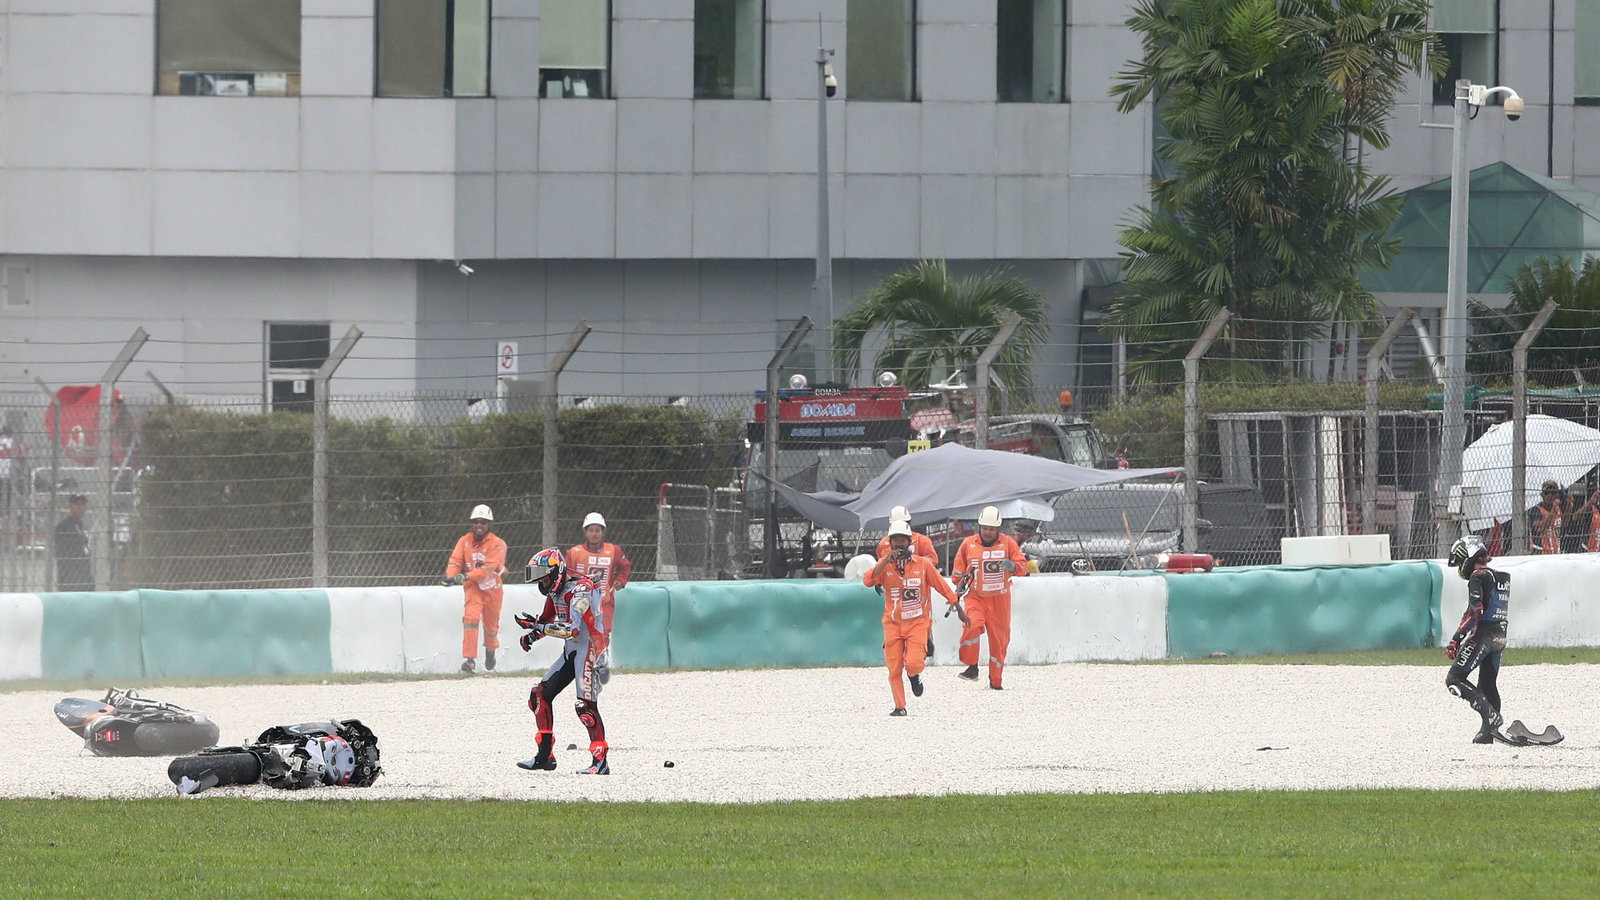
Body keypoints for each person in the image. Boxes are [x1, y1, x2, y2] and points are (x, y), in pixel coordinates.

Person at [515, 548, 610, 774]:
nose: (542, 582)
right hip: (572, 651)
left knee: (584, 706)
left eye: (545, 576)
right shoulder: (554, 591)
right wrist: (533, 635)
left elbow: (572, 630)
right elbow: (547, 620)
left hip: (590, 649)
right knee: (539, 695)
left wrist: (536, 628)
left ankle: (600, 761)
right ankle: (544, 756)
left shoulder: (581, 589)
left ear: (556, 571)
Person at [862, 522, 960, 716]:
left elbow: (941, 586)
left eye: (903, 540)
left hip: (917, 622)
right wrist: (884, 561)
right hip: (892, 624)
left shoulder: (923, 564)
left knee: (913, 663)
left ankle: (914, 675)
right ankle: (900, 707)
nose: (899, 544)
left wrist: (957, 606)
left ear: (909, 543)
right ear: (890, 543)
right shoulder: (885, 564)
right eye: (895, 540)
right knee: (894, 666)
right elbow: (867, 580)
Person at [952, 505, 1029, 690]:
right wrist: (961, 582)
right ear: (979, 527)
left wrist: (1013, 567)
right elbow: (957, 573)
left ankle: (996, 682)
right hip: (975, 597)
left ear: (999, 529)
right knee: (972, 626)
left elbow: (1023, 567)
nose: (988, 532)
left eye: (992, 529)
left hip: (1000, 600)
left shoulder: (1008, 543)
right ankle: (971, 667)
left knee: (1000, 641)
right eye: (985, 528)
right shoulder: (968, 544)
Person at [1445, 534, 1509, 744]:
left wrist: (1456, 639)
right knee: (1487, 682)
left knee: (1454, 679)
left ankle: (1491, 717)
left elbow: (1475, 612)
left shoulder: (1478, 576)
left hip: (1483, 635)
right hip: (1500, 636)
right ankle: (1487, 732)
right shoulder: (1500, 577)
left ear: (1468, 556)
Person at [441, 504, 507, 673]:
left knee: (491, 627)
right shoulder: (464, 541)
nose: (479, 525)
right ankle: (469, 660)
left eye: (483, 522)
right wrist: (450, 576)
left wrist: (466, 576)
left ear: (489, 524)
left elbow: (488, 568)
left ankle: (490, 650)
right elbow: (455, 561)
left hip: (492, 589)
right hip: (473, 588)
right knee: (470, 618)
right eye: (476, 522)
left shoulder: (497, 544)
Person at [566, 511, 631, 633]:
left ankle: (601, 652)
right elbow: (566, 575)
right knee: (578, 634)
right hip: (579, 603)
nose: (594, 534)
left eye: (597, 530)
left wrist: (620, 581)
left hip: (604, 601)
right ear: (585, 532)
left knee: (603, 632)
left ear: (603, 532)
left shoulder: (614, 550)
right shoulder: (574, 553)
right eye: (591, 530)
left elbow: (625, 567)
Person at [873, 505, 940, 569]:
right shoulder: (883, 543)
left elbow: (933, 560)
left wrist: (912, 560)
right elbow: (879, 566)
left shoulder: (922, 540)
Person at [54, 493, 93, 590]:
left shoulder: (79, 524)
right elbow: (60, 551)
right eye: (77, 505)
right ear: (70, 506)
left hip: (83, 572)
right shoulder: (64, 525)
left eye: (83, 505)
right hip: (70, 574)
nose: (81, 508)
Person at [1527, 480, 1567, 554]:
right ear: (1542, 495)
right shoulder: (1536, 509)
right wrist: (1552, 511)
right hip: (1541, 552)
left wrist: (1569, 507)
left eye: (1553, 493)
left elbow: (1563, 525)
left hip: (1556, 551)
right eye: (1547, 493)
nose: (1550, 495)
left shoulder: (1558, 509)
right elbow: (1540, 528)